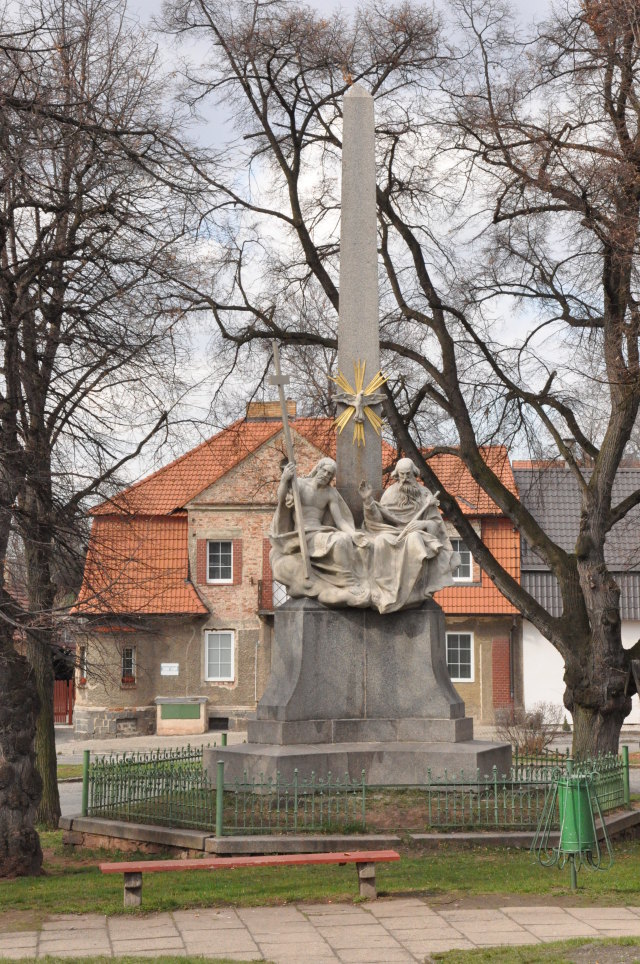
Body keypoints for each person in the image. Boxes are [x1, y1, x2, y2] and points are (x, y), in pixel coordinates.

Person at [359, 458, 461, 613]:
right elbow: (378, 521)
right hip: (392, 532)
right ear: (397, 475)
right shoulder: (390, 493)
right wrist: (368, 502)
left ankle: (411, 592)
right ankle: (385, 591)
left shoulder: (424, 494)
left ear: (414, 474)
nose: (405, 479)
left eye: (408, 475)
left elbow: (436, 524)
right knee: (380, 540)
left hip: (418, 533)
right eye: (402, 475)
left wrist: (424, 524)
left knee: (414, 540)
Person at [270, 457, 370, 607]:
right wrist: (284, 480)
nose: (326, 475)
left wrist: (352, 533)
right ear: (318, 468)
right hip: (302, 533)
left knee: (343, 538)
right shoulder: (300, 485)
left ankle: (347, 581)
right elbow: (281, 499)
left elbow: (340, 520)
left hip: (319, 530)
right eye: (324, 471)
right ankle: (348, 583)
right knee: (338, 540)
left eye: (330, 474)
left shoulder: (330, 493)